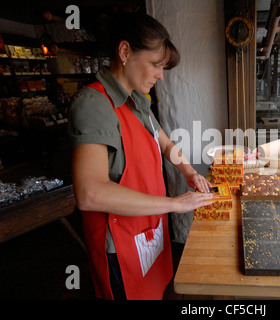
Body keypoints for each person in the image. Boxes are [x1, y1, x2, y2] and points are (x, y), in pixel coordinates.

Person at [68, 12, 213, 300]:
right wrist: (174, 203)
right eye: (155, 65)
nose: (160, 75)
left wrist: (188, 172)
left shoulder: (138, 102)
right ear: (125, 52)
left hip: (148, 230)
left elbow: (167, 145)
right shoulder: (95, 103)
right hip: (119, 244)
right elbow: (90, 193)